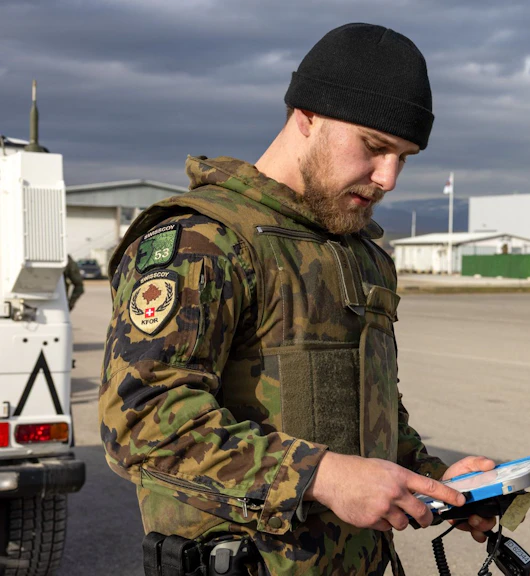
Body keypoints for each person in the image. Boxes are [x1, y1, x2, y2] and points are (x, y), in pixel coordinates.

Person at [101, 24, 495, 575]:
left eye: (404, 157)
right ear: (307, 117)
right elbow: (141, 422)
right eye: (375, 148)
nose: (389, 178)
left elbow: (371, 415)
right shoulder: (204, 241)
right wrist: (324, 476)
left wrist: (436, 481)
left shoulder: (361, 254)